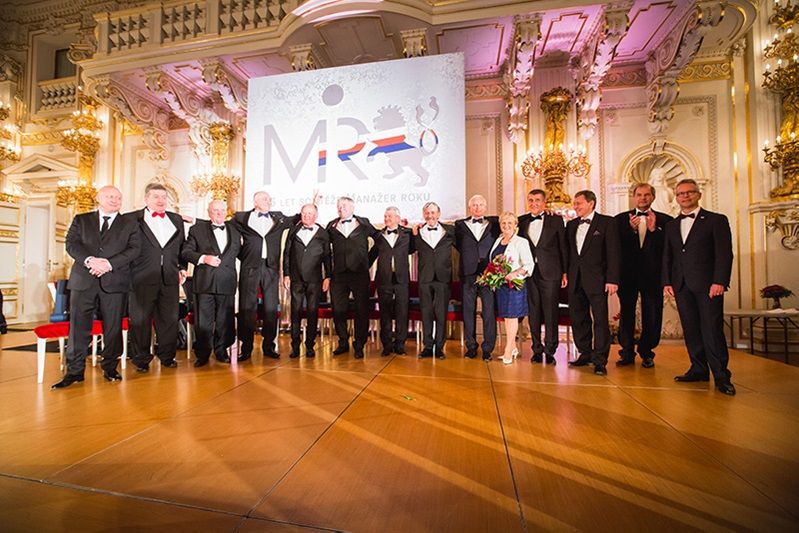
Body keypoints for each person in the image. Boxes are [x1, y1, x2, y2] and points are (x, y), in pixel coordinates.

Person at [52, 186, 141, 388]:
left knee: (113, 327)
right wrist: (90, 261)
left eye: (118, 197)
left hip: (115, 280)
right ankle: (74, 371)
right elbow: (71, 244)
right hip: (84, 280)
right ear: (98, 198)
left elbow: (135, 249)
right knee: (78, 327)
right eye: (110, 196)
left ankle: (110, 368)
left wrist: (109, 264)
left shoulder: (130, 223)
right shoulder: (81, 220)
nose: (115, 200)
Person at [663, 179, 735, 395]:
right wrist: (667, 281)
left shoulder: (716, 220)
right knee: (691, 329)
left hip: (708, 285)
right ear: (676, 198)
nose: (685, 196)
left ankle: (722, 376)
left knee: (712, 329)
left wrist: (720, 281)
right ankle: (699, 369)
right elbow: (668, 256)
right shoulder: (672, 225)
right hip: (681, 284)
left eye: (689, 192)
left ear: (698, 194)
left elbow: (724, 254)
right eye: (680, 194)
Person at [127, 182, 187, 373]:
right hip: (141, 277)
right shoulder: (132, 218)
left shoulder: (176, 219)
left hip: (169, 276)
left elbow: (182, 246)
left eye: (163, 197)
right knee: (141, 320)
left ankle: (167, 356)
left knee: (169, 318)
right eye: (156, 197)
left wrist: (182, 267)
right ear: (146, 199)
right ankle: (141, 359)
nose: (161, 200)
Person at [233, 191, 298, 361]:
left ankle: (269, 346)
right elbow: (221, 225)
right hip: (250, 267)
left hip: (271, 268)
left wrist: (315, 204)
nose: (269, 201)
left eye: (269, 199)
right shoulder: (241, 217)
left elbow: (296, 218)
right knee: (247, 309)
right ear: (255, 202)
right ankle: (246, 348)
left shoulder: (279, 217)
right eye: (265, 199)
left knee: (271, 309)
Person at [614, 183, 673, 368]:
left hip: (653, 276)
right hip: (627, 275)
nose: (643, 198)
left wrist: (654, 231)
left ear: (653, 197)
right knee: (626, 313)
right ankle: (627, 352)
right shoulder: (619, 220)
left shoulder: (666, 221)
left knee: (653, 314)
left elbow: (669, 250)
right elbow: (615, 249)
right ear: (633, 197)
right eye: (639, 195)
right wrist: (630, 231)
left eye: (646, 195)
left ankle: (647, 352)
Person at [566, 190, 621, 376]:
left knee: (600, 320)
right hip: (575, 279)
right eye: (574, 203)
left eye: (579, 203)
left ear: (591, 203)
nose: (575, 207)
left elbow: (613, 252)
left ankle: (600, 360)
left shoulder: (607, 222)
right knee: (578, 318)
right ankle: (585, 353)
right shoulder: (571, 225)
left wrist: (612, 279)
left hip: (598, 280)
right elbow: (569, 253)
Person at [181, 200, 241, 367]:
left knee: (224, 320)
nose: (219, 213)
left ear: (226, 212)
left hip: (227, 281)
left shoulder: (235, 230)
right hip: (204, 282)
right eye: (215, 210)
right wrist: (203, 258)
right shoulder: (197, 230)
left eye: (222, 210)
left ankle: (221, 351)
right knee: (203, 321)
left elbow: (242, 253)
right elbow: (186, 252)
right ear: (208, 212)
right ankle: (203, 354)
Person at [517, 189, 567, 365]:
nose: (534, 203)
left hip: (551, 272)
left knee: (551, 312)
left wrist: (564, 272)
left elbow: (563, 247)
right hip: (529, 273)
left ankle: (551, 350)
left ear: (544, 202)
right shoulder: (522, 221)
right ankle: (537, 349)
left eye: (537, 200)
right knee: (534, 312)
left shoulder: (556, 220)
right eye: (530, 200)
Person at [326, 196, 379, 359]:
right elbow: (325, 249)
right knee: (338, 309)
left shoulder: (363, 223)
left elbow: (379, 240)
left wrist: (367, 261)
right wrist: (328, 273)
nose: (341, 208)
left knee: (361, 310)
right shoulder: (331, 225)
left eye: (344, 205)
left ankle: (359, 344)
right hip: (338, 275)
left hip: (359, 274)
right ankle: (343, 342)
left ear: (352, 208)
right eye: (339, 206)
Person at [282, 204, 331, 358]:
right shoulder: (293, 230)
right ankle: (295, 346)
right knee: (295, 312)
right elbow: (287, 253)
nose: (307, 216)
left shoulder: (323, 233)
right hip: (296, 279)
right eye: (304, 213)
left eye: (310, 213)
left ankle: (310, 345)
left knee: (312, 312)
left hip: (315, 280)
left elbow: (327, 256)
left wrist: (328, 276)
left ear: (316, 216)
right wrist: (286, 274)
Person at [455, 194, 500, 361]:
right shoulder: (459, 225)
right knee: (468, 311)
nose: (477, 208)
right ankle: (471, 347)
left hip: (488, 273)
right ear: (469, 208)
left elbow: (515, 221)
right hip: (468, 273)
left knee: (488, 311)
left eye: (481, 205)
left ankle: (488, 349)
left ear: (485, 207)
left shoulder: (495, 223)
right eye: (474, 205)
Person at [489, 212, 534, 365]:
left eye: (510, 223)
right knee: (506, 317)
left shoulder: (521, 242)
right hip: (501, 286)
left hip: (514, 285)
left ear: (516, 225)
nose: (506, 226)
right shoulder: (498, 240)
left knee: (512, 316)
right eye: (503, 223)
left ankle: (508, 349)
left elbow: (529, 264)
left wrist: (514, 274)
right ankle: (513, 347)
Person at [369, 206, 414, 356]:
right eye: (385, 216)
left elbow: (413, 249)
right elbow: (372, 255)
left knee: (402, 312)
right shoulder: (379, 236)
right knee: (385, 313)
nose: (387, 218)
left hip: (402, 279)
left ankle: (400, 344)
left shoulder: (408, 234)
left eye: (390, 216)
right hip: (384, 279)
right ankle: (387, 345)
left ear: (398, 218)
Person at [414, 201, 455, 359]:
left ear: (438, 214)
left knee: (441, 313)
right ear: (424, 215)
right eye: (427, 213)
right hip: (425, 278)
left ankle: (439, 347)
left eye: (433, 212)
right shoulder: (417, 232)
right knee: (426, 313)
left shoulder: (449, 231)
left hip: (443, 277)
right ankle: (427, 346)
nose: (430, 215)